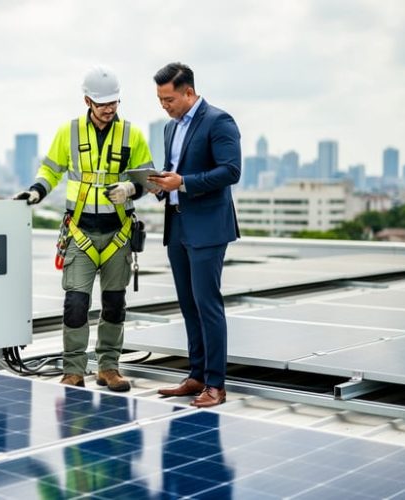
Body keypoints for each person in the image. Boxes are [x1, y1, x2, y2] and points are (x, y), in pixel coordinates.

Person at [14, 65, 154, 392]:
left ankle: (109, 368)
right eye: (103, 103)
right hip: (80, 231)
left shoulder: (132, 134)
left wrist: (131, 190)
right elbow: (51, 169)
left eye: (114, 103)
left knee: (114, 303)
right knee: (75, 304)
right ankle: (73, 370)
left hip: (118, 232)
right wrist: (36, 191)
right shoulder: (70, 132)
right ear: (87, 100)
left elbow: (147, 176)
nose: (109, 109)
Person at [149, 62, 241, 408]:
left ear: (188, 92)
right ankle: (197, 375)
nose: (164, 106)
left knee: (207, 304)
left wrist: (184, 183)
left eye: (169, 99)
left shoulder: (219, 121)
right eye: (160, 100)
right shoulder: (170, 128)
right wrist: (159, 186)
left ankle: (216, 384)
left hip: (207, 228)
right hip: (177, 224)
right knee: (188, 305)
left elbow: (230, 171)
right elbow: (174, 172)